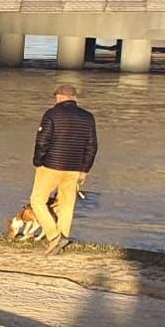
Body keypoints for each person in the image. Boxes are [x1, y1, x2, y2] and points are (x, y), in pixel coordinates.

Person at [30, 83, 97, 255]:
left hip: (51, 165)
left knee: (37, 200)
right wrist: (85, 169)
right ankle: (62, 240)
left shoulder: (52, 114)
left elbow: (42, 142)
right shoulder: (88, 117)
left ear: (59, 97)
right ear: (75, 98)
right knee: (67, 205)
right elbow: (92, 146)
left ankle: (54, 237)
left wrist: (38, 162)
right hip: (74, 168)